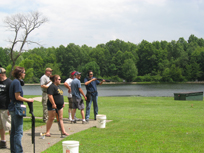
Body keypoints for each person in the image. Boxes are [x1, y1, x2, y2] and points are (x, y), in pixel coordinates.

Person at [8, 66, 34, 153]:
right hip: (17, 108)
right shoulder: (17, 83)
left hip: (12, 107)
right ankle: (18, 151)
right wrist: (28, 100)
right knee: (18, 132)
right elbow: (17, 97)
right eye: (24, 72)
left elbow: (12, 97)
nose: (25, 74)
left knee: (13, 132)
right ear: (20, 73)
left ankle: (13, 150)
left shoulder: (13, 82)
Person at [0, 67, 12, 148]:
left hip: (6, 108)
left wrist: (10, 108)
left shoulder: (9, 82)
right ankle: (3, 141)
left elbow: (11, 97)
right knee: (1, 126)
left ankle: (12, 143)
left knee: (10, 126)